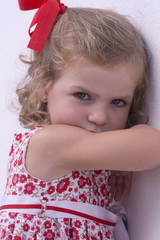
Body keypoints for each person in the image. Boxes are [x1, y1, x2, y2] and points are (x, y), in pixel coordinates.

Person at [0, 0, 160, 239]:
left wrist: (120, 157)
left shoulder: (80, 146)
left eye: (118, 102)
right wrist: (124, 154)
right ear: (44, 85)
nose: (99, 117)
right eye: (82, 95)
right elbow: (153, 147)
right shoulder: (49, 144)